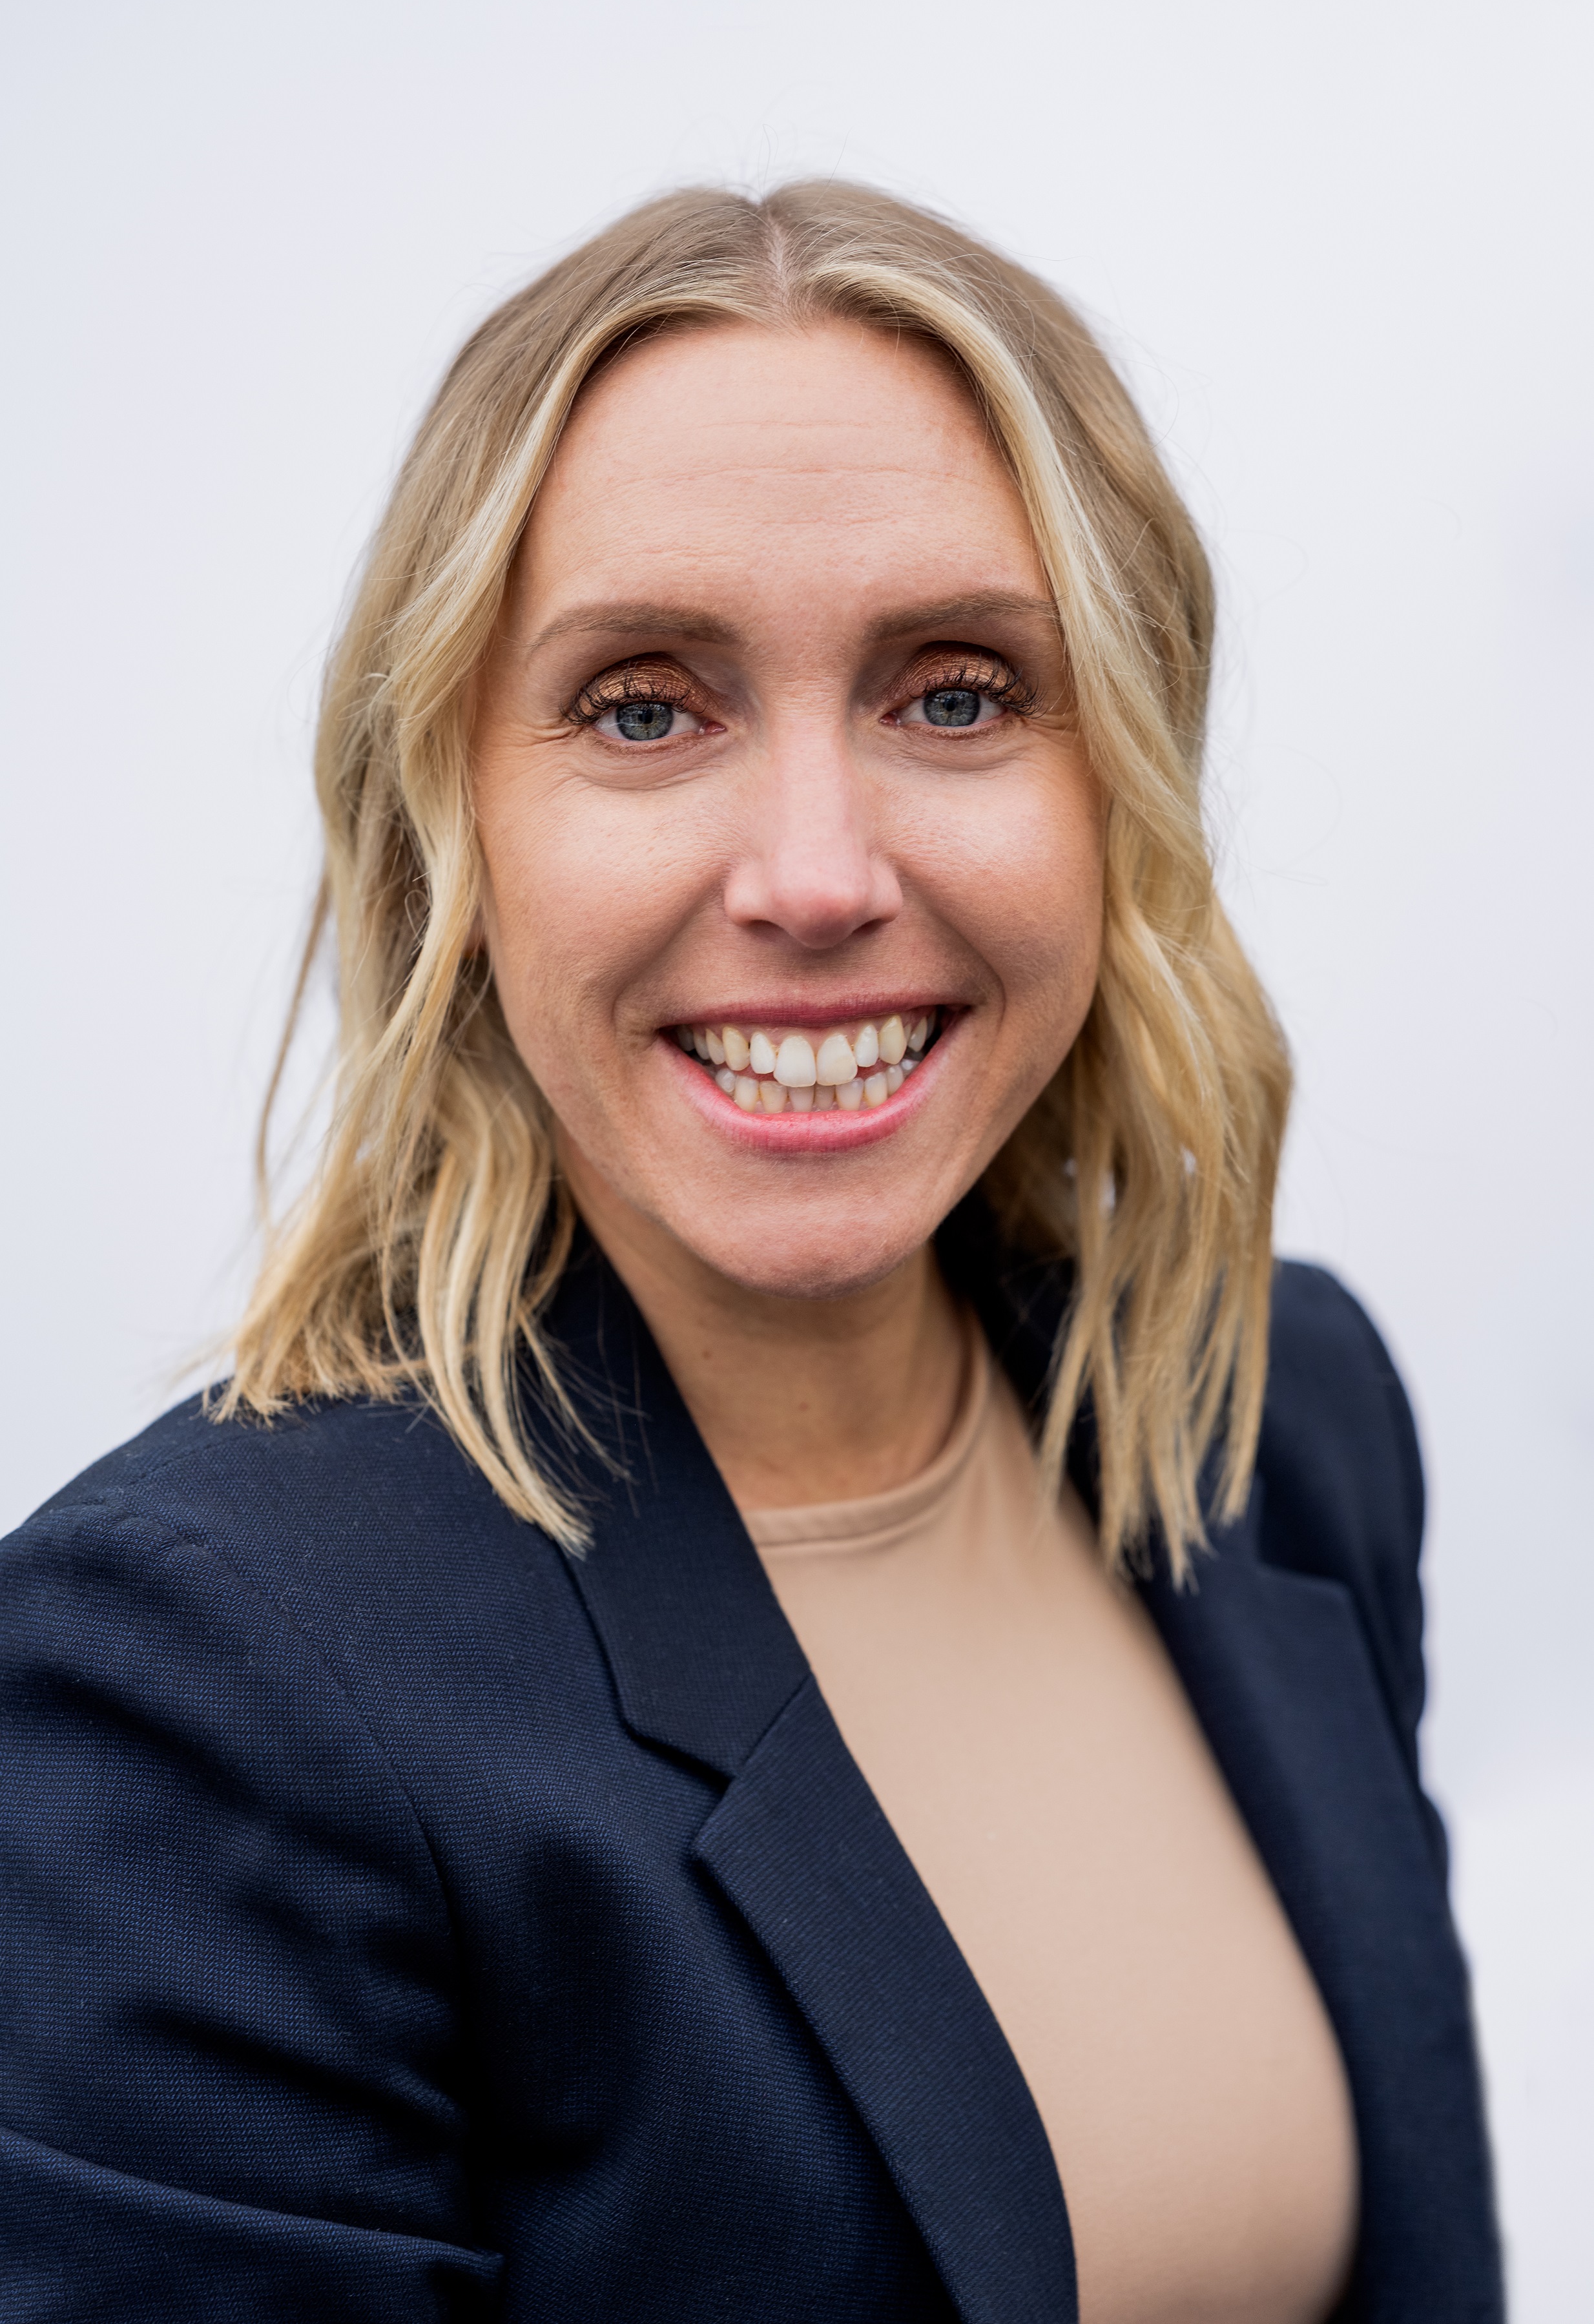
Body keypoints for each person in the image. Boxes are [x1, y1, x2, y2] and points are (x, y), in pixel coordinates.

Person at [0, 184, 1500, 2324]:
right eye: (642, 709)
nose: (814, 876)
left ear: (1124, 784)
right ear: (449, 825)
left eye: (958, 694)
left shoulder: (1269, 1410)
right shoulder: (193, 1689)